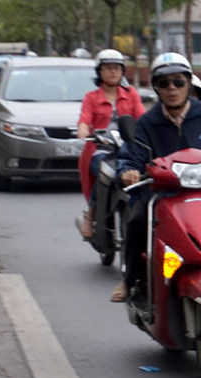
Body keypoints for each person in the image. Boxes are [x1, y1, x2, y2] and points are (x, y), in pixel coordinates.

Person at [115, 52, 201, 302]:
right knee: (137, 219)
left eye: (178, 82)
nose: (172, 89)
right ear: (156, 88)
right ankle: (129, 280)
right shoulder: (147, 123)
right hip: (162, 196)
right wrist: (128, 171)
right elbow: (131, 155)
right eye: (164, 83)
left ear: (189, 83)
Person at [75, 49, 146, 239]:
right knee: (107, 172)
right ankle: (90, 215)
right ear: (100, 72)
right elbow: (84, 118)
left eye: (116, 68)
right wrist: (83, 129)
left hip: (128, 149)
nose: (112, 72)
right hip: (101, 150)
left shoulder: (131, 94)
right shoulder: (91, 97)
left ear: (122, 71)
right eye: (107, 68)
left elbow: (142, 119)